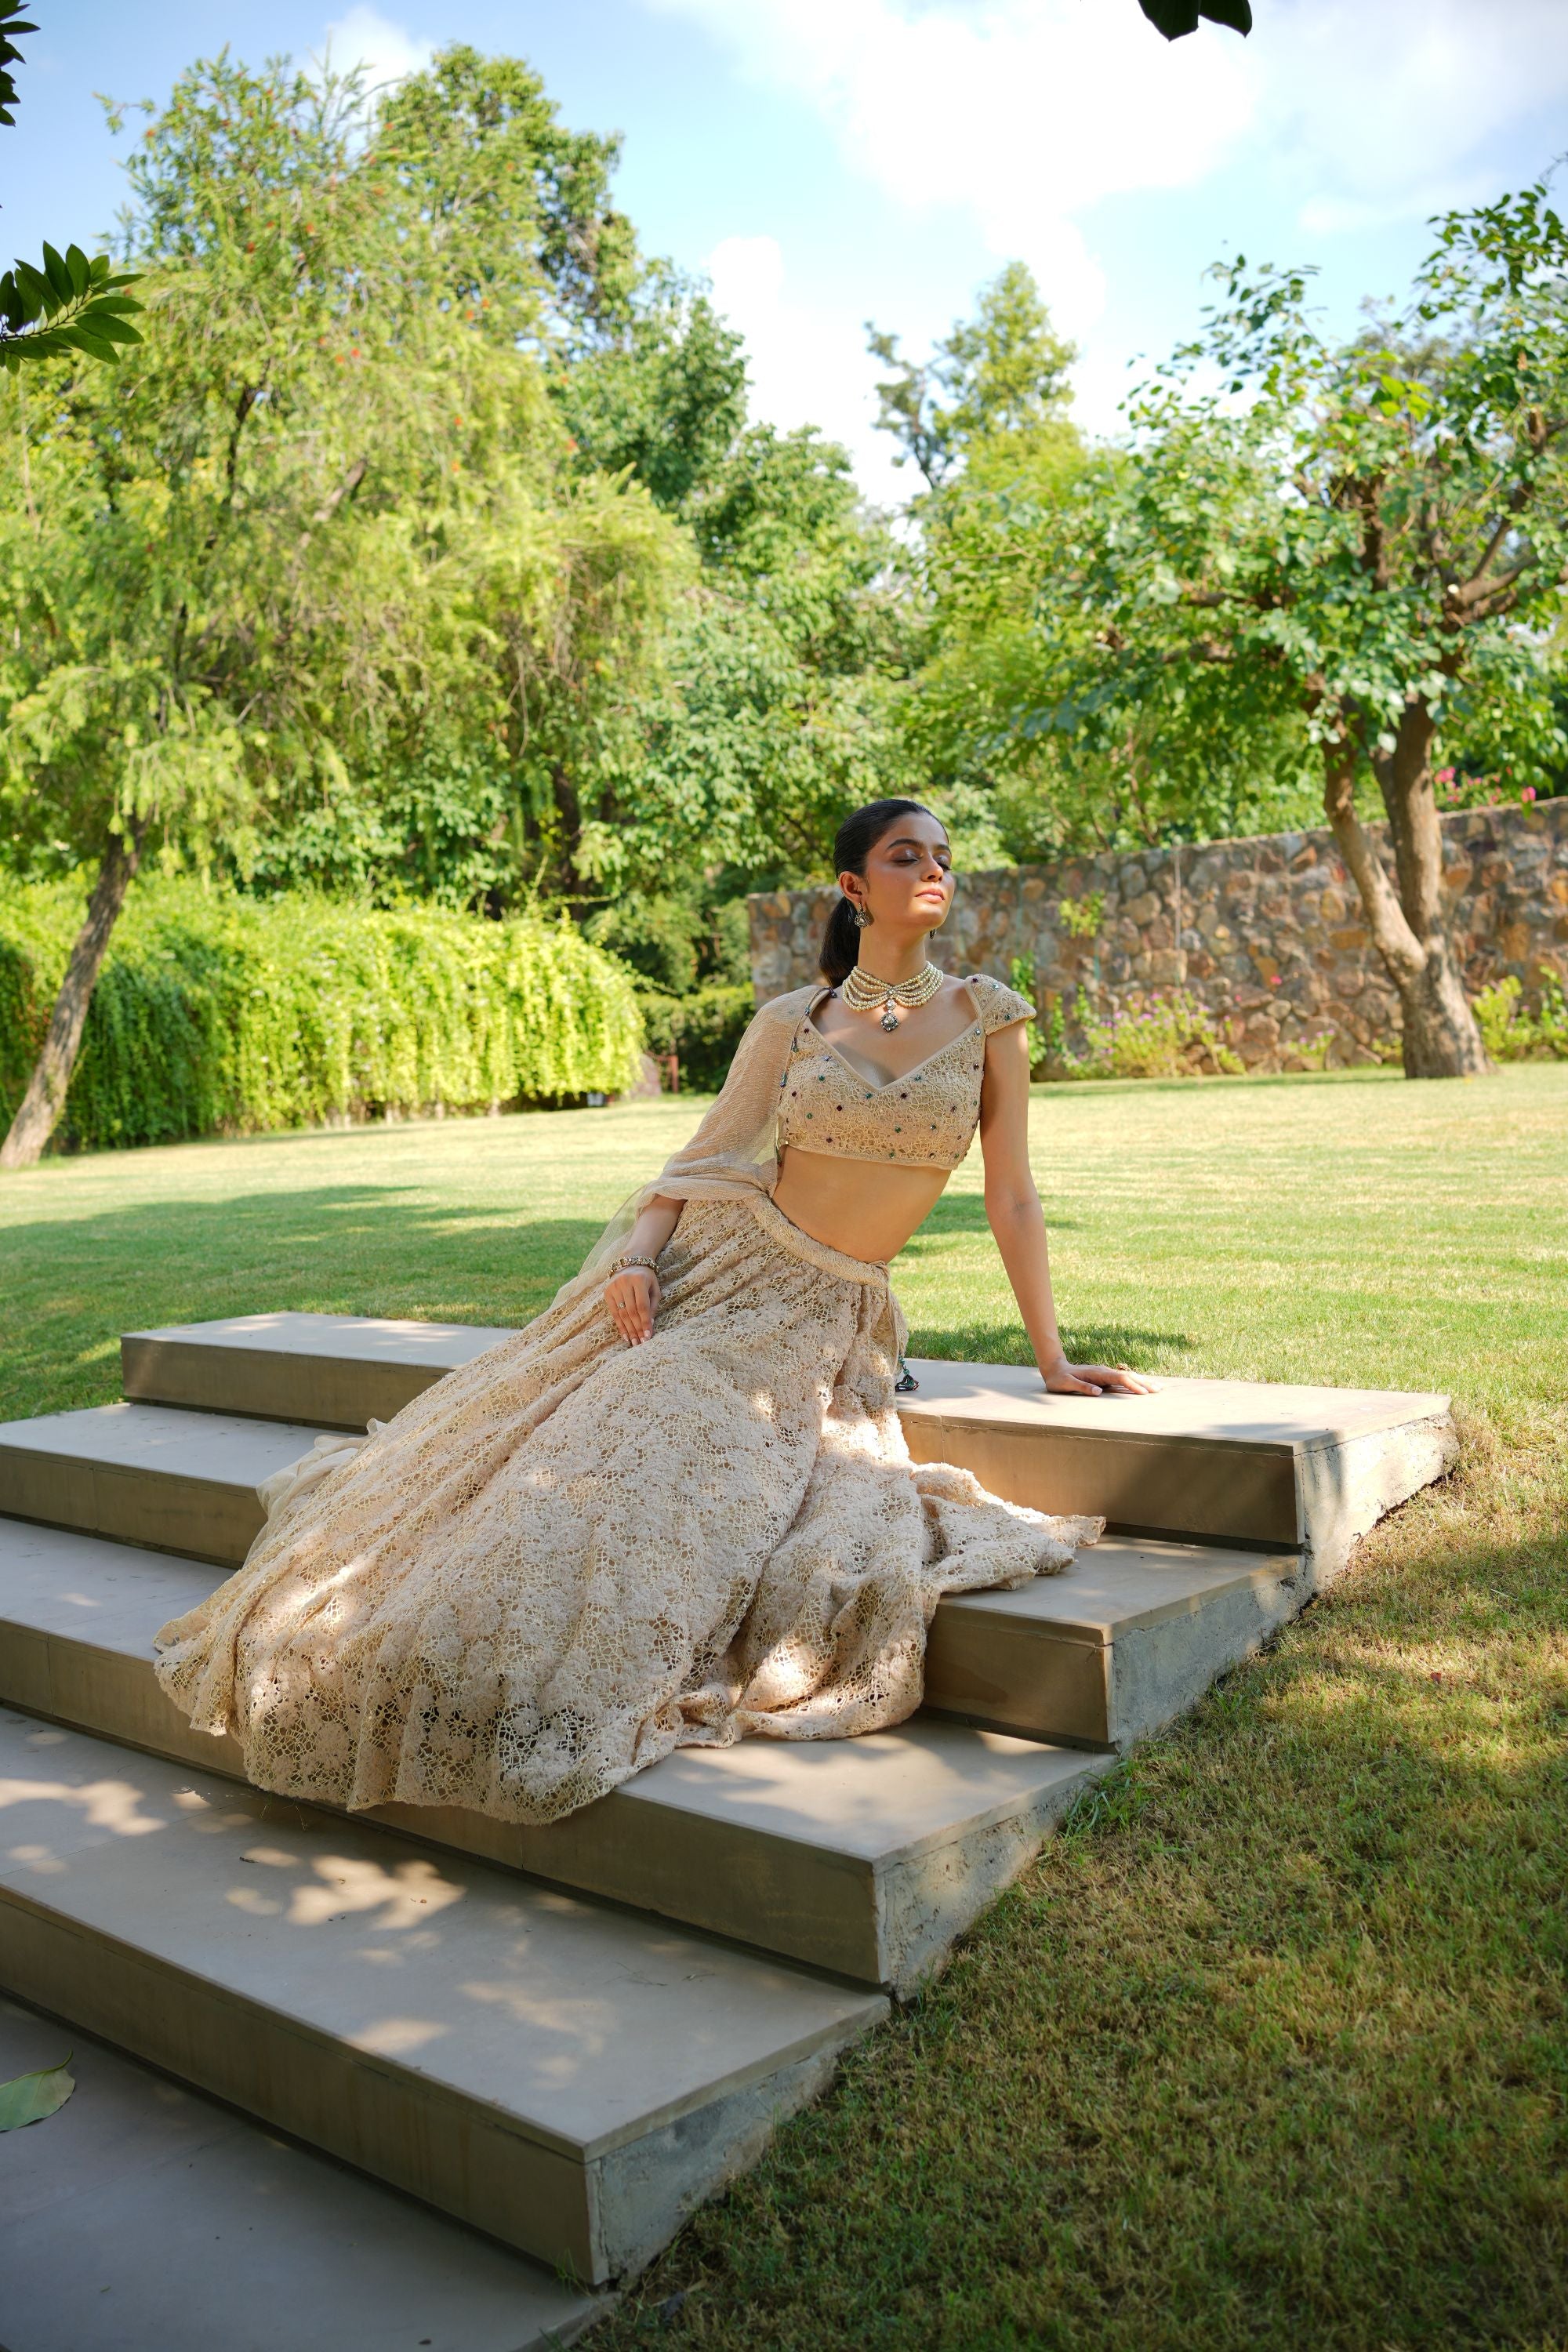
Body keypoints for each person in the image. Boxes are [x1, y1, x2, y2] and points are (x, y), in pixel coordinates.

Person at [154, 799, 1153, 1828]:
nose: (935, 871)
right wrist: (637, 1260)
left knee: (677, 1443)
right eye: (908, 856)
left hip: (824, 1314)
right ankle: (420, 1646)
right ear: (855, 887)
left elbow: (1011, 1196)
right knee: (622, 1417)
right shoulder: (791, 1022)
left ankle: (527, 1674)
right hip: (711, 1274)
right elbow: (700, 1163)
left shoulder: (988, 1017)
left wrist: (1052, 1358)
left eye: (944, 856)